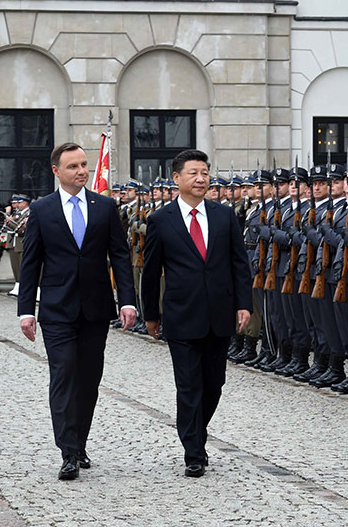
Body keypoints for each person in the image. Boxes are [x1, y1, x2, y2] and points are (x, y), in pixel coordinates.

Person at [18, 142, 136, 481]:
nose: (82, 171)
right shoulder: (42, 209)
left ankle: (80, 441)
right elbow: (31, 264)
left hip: (96, 309)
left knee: (88, 381)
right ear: (57, 171)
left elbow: (120, 256)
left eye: (84, 164)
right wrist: (26, 310)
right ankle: (67, 451)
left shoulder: (105, 207)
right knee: (64, 375)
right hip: (56, 310)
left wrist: (127, 300)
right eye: (73, 166)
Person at [141, 149, 252, 478]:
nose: (201, 178)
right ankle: (194, 450)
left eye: (205, 172)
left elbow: (238, 264)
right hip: (181, 315)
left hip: (219, 314)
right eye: (194, 173)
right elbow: (150, 271)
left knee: (214, 384)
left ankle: (195, 431)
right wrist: (151, 314)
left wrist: (243, 303)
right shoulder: (160, 220)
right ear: (177, 179)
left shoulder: (223, 216)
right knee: (188, 385)